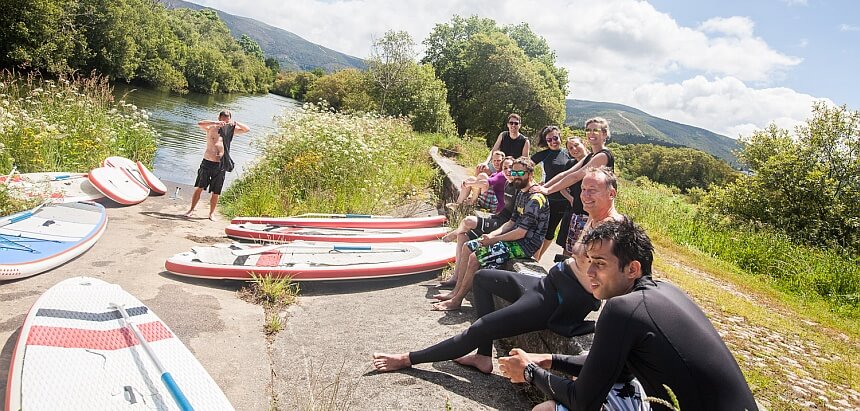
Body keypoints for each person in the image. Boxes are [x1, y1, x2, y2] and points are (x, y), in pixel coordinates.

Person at [372, 167, 624, 377]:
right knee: (482, 278)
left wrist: (610, 325)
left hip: (559, 300)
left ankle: (407, 359)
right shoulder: (593, 218)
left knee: (482, 326)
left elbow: (621, 281)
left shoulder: (614, 231)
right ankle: (483, 356)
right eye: (583, 189)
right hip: (550, 282)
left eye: (593, 190)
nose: (585, 194)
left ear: (611, 193)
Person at [498, 219, 759, 411]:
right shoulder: (664, 291)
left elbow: (582, 401)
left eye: (600, 264)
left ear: (632, 268)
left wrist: (529, 372)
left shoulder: (623, 308)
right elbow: (610, 367)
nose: (590, 273)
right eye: (589, 261)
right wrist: (549, 359)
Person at [432, 157, 549, 311]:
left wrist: (494, 240)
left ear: (530, 174)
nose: (516, 175)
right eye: (514, 171)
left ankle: (457, 301)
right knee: (468, 247)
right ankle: (455, 292)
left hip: (525, 246)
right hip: (514, 238)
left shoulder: (535, 199)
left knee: (476, 256)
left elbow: (521, 232)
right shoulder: (521, 192)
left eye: (520, 172)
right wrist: (491, 236)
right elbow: (511, 222)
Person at [531, 117, 614, 256]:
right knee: (569, 253)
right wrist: (543, 188)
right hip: (579, 212)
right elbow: (566, 174)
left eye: (596, 130)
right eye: (588, 130)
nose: (591, 133)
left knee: (582, 256)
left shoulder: (603, 156)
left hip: (594, 215)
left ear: (604, 134)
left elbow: (576, 176)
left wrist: (547, 190)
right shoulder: (590, 157)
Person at [440, 156, 516, 288]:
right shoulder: (505, 181)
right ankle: (456, 277)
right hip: (497, 217)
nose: (508, 171)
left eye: (511, 168)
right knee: (462, 237)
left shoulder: (518, 185)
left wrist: (469, 184)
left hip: (504, 223)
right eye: (505, 168)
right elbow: (486, 182)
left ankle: (454, 232)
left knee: (468, 221)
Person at [185, 110, 250, 220]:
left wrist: (236, 123)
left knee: (216, 191)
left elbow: (247, 129)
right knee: (199, 187)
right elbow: (200, 123)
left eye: (227, 120)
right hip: (207, 161)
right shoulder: (211, 127)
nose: (224, 122)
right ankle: (191, 210)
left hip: (221, 164)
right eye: (223, 120)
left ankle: (211, 214)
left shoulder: (230, 130)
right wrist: (215, 123)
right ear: (219, 118)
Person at [530, 126, 575, 260]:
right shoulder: (544, 155)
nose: (553, 141)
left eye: (555, 138)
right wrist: (533, 183)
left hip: (565, 201)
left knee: (550, 232)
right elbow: (526, 167)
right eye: (549, 140)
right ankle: (533, 259)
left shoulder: (570, 153)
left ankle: (537, 259)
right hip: (548, 199)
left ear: (560, 137)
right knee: (539, 230)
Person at [554, 136, 588, 259]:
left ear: (584, 143)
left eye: (576, 145)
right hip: (573, 209)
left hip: (589, 212)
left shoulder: (594, 160)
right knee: (567, 247)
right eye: (570, 148)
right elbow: (562, 186)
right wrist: (571, 199)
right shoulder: (570, 164)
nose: (574, 149)